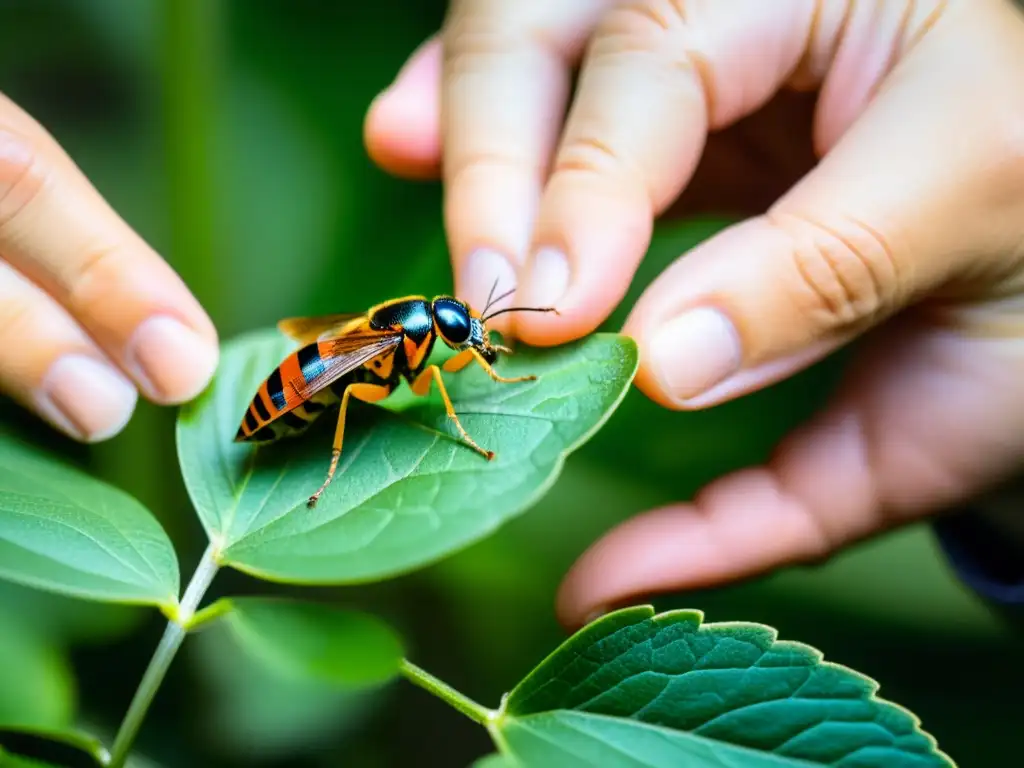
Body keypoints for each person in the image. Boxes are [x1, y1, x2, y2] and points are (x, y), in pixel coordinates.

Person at [4, 0, 1022, 627]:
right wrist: (340, 431)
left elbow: (421, 351)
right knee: (348, 391)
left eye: (467, 339)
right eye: (465, 337)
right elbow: (357, 374)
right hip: (285, 407)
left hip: (295, 378)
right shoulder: (408, 349)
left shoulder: (432, 336)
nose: (470, 344)